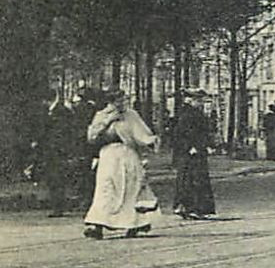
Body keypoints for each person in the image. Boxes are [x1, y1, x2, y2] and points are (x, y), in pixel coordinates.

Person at [82, 89, 159, 239]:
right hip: (109, 155)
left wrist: (150, 141)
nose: (123, 104)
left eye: (124, 100)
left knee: (132, 188)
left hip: (128, 154)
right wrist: (108, 121)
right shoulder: (101, 115)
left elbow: (142, 134)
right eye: (119, 101)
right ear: (111, 102)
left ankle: (136, 223)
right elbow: (91, 137)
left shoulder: (131, 115)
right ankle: (98, 224)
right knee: (107, 189)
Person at [32, 89, 81, 217]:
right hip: (52, 152)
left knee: (56, 179)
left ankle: (59, 208)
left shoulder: (61, 112)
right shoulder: (53, 111)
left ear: (46, 100)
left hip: (57, 152)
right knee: (54, 179)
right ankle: (58, 206)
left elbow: (61, 133)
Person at [170, 97, 216, 219]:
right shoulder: (188, 115)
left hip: (195, 151)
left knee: (191, 179)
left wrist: (207, 145)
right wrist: (190, 146)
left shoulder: (189, 113)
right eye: (198, 101)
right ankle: (192, 208)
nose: (200, 103)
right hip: (192, 152)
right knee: (192, 179)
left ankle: (190, 207)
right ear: (192, 101)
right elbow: (182, 133)